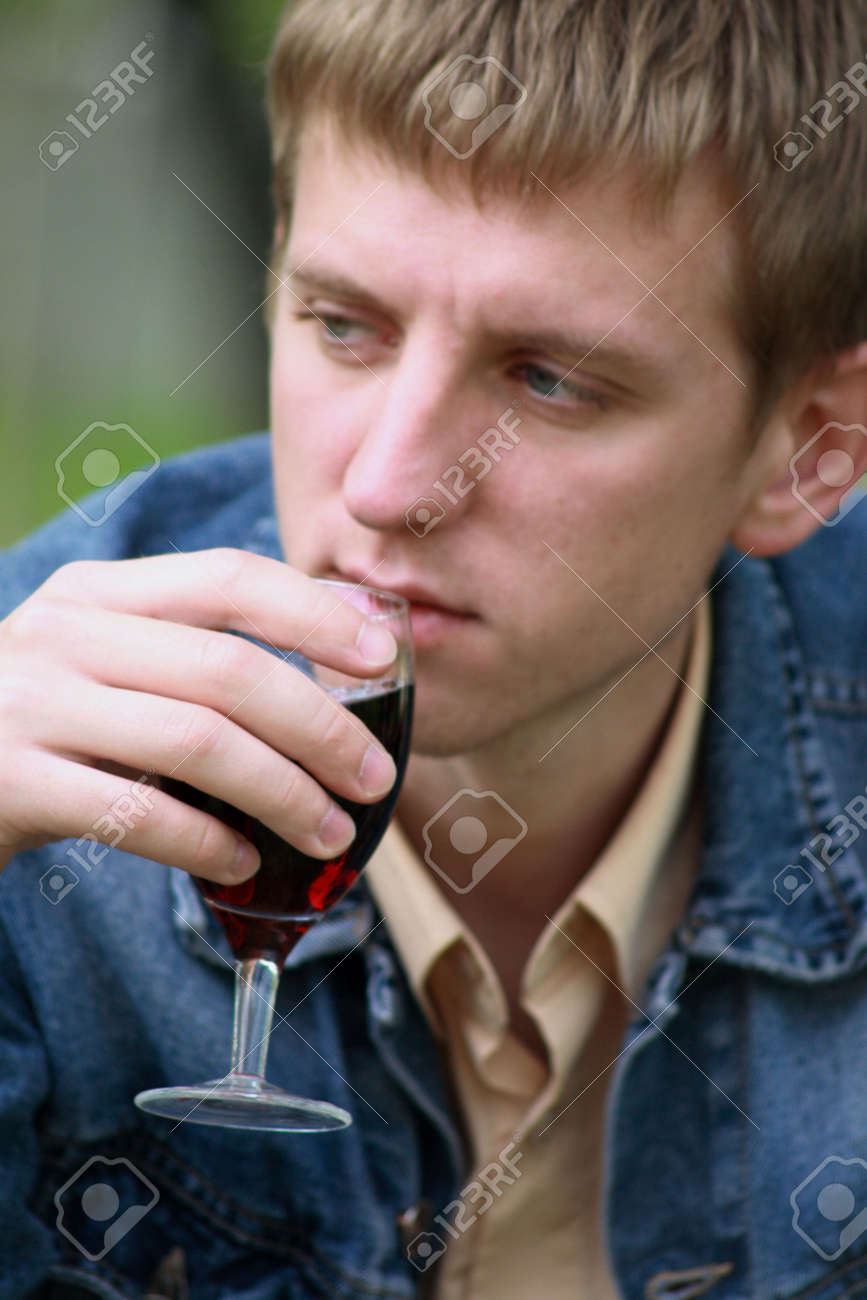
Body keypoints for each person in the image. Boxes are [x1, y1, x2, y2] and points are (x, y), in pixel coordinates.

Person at [2, 0, 867, 1295]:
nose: (391, 485)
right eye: (345, 325)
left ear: (813, 448)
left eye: (548, 380)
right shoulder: (35, 742)